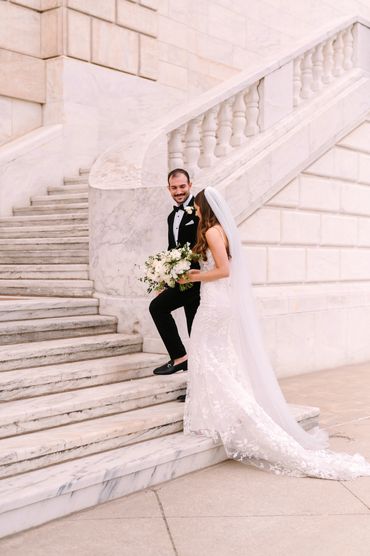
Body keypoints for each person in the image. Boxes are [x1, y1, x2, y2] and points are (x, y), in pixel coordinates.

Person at [178, 186, 370, 480]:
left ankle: (228, 413)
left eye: (198, 205)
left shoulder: (213, 232)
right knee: (213, 353)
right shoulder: (217, 229)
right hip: (217, 300)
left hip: (215, 300)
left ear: (205, 205)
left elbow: (224, 269)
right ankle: (218, 414)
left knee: (206, 352)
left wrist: (196, 275)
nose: (195, 208)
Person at [150, 169, 200, 377]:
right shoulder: (172, 216)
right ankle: (196, 390)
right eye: (174, 187)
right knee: (194, 330)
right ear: (168, 188)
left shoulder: (200, 209)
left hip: (197, 278)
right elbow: (172, 249)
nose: (178, 191)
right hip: (180, 278)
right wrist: (164, 279)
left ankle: (179, 357)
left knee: (158, 308)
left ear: (190, 185)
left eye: (182, 186)